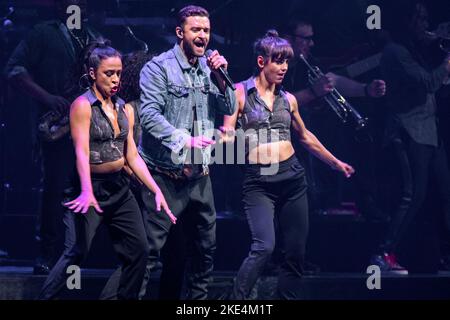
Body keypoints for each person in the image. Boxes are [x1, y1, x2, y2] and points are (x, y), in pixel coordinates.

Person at [102, 5, 236, 300]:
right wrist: (183, 140)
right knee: (147, 251)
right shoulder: (159, 68)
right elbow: (149, 115)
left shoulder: (210, 70)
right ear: (180, 33)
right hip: (164, 176)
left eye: (206, 31)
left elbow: (228, 108)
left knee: (205, 248)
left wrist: (222, 76)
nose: (203, 36)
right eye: (196, 30)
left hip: (200, 177)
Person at [221, 30, 354, 299]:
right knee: (264, 247)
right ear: (262, 62)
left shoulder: (289, 99)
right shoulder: (238, 93)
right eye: (278, 61)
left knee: (295, 253)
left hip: (292, 179)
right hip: (258, 182)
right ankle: (235, 302)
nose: (283, 68)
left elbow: (305, 137)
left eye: (286, 62)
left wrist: (335, 162)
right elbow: (226, 131)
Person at [37, 42, 175, 300]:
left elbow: (131, 155)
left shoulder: (125, 108)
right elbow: (82, 151)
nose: (115, 79)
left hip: (119, 189)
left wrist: (155, 189)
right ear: (92, 74)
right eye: (108, 73)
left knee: (139, 251)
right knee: (77, 252)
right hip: (88, 188)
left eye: (118, 73)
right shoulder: (82, 106)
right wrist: (87, 190)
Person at [4, 0, 101, 274]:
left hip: (90, 126)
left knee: (88, 189)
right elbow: (15, 70)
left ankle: (80, 254)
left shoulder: (94, 37)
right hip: (58, 124)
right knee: (55, 189)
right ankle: (48, 254)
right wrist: (48, 98)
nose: (82, 7)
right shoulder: (42, 33)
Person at [370, 0, 450, 274]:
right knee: (412, 195)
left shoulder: (417, 50)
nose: (425, 25)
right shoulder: (395, 52)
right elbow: (427, 82)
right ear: (407, 22)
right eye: (420, 19)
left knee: (444, 194)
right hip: (409, 130)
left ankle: (445, 257)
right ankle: (383, 253)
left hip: (430, 131)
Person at [281, 19, 386, 218]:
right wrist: (313, 92)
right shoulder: (274, 62)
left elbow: (334, 81)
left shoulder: (306, 62)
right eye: (307, 39)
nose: (311, 44)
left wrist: (366, 90)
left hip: (302, 135)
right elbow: (277, 103)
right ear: (288, 39)